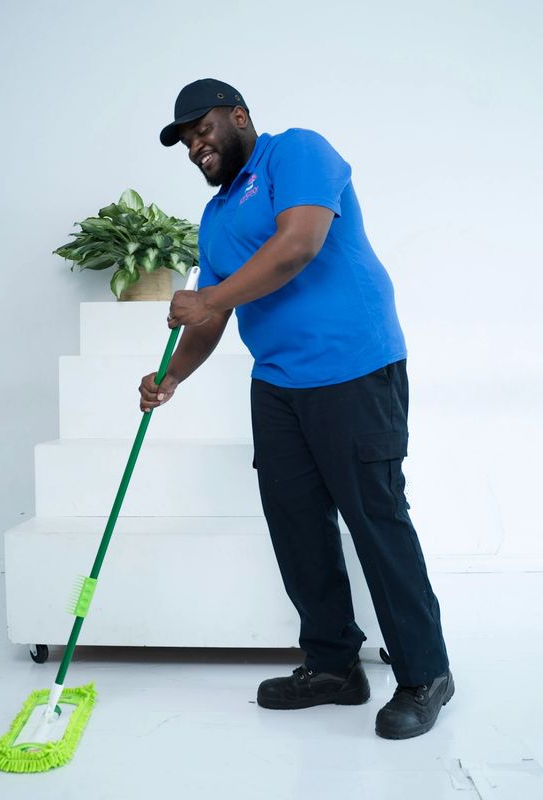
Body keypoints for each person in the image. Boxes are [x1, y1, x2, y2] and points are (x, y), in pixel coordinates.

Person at [139, 78, 453, 739]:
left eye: (204, 129)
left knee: (376, 520)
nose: (197, 145)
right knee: (298, 526)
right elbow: (209, 315)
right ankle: (335, 666)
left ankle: (427, 674)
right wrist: (170, 375)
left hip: (355, 367)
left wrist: (211, 297)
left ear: (239, 116)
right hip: (279, 384)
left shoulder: (297, 153)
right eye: (186, 140)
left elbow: (299, 245)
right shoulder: (218, 216)